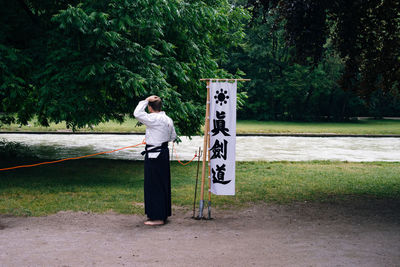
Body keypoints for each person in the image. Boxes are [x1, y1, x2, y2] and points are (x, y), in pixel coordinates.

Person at [134, 95, 177, 226]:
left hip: (155, 154)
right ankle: (163, 214)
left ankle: (157, 217)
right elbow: (173, 136)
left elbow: (137, 113)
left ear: (150, 108)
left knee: (154, 185)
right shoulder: (168, 119)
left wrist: (146, 100)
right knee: (163, 183)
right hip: (163, 153)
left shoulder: (153, 118)